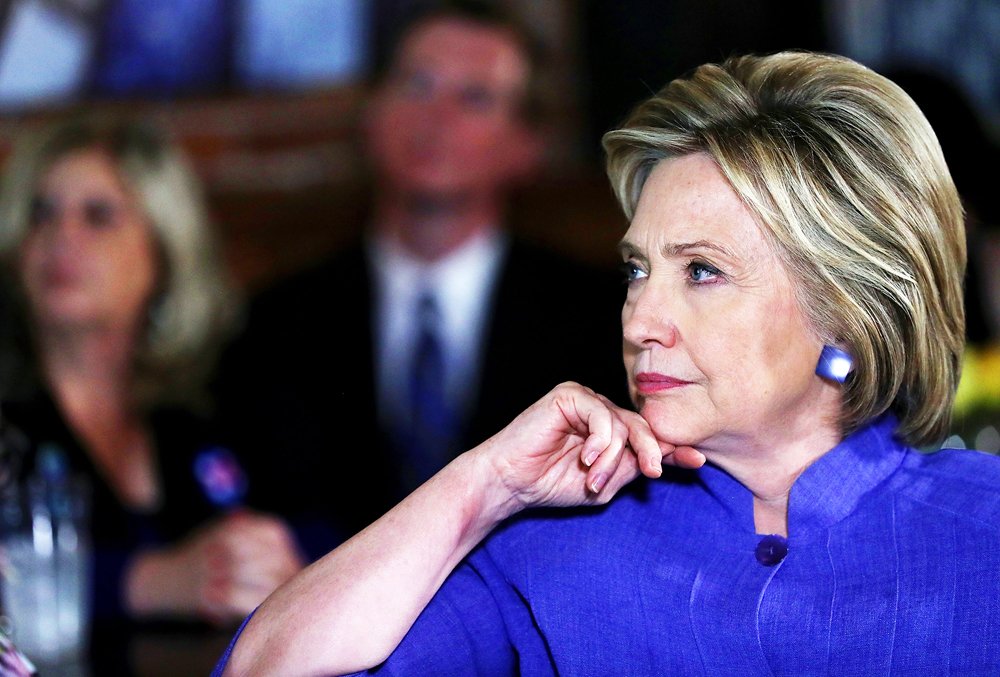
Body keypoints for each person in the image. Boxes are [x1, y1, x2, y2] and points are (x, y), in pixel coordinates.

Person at [213, 49, 1000, 675]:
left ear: (847, 308)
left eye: (700, 271)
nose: (640, 318)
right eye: (636, 269)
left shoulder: (982, 528)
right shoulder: (553, 540)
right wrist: (479, 485)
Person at [212, 0, 628, 544]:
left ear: (526, 144)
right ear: (371, 112)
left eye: (474, 98)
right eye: (416, 84)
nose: (437, 117)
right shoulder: (276, 319)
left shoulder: (600, 316)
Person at [0, 116, 305, 650]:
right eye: (40, 214)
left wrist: (282, 563)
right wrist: (150, 582)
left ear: (164, 251)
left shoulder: (207, 404)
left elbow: (323, 522)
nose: (60, 237)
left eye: (99, 216)